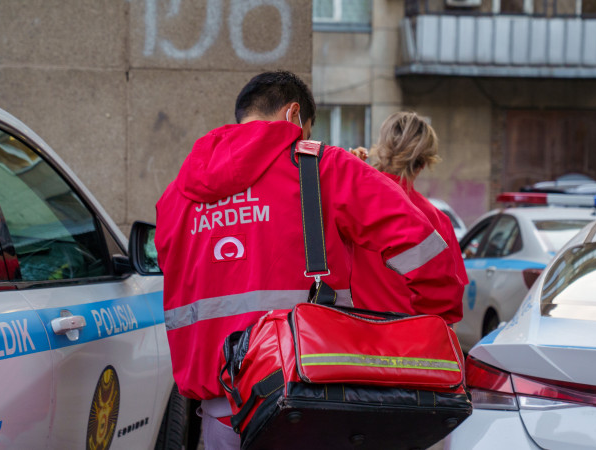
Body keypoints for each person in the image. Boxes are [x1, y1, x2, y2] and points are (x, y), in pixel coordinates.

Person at [154, 71, 463, 448]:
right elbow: (422, 244)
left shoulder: (176, 196)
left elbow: (173, 272)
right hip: (310, 400)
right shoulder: (322, 166)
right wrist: (436, 320)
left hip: (221, 411)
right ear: (293, 114)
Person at [349, 112, 468, 321]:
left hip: (353, 331)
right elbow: (450, 310)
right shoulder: (439, 221)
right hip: (411, 336)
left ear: (381, 150)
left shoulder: (350, 200)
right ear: (424, 163)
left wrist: (350, 174)